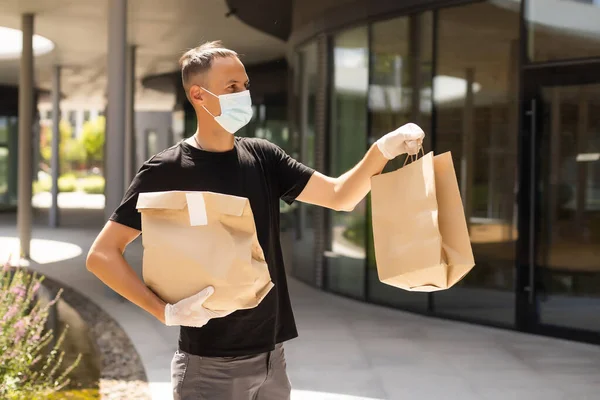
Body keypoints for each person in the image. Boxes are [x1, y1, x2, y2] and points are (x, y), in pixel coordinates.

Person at [86, 40, 424, 400]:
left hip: (272, 359)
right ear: (199, 95)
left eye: (245, 86)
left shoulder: (264, 157)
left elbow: (341, 196)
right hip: (209, 366)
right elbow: (102, 255)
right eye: (231, 87)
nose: (242, 95)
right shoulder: (168, 169)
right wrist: (164, 312)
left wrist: (382, 150)